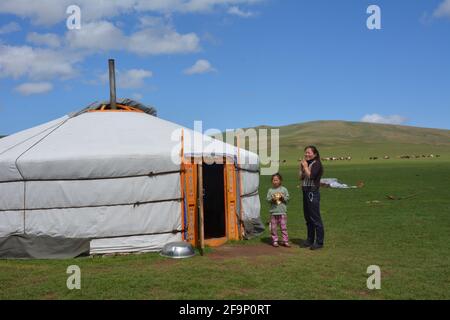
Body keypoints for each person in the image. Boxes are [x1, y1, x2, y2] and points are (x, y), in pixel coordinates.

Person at [300, 146, 325, 250]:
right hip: (305, 191)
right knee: (308, 217)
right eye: (306, 152)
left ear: (315, 154)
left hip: (312, 192)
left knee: (315, 218)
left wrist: (305, 167)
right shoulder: (307, 163)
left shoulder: (317, 164)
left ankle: (319, 242)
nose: (307, 154)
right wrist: (301, 168)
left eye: (309, 153)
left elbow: (311, 176)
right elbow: (300, 177)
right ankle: (310, 240)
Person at [266, 173, 290, 247]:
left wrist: (283, 198)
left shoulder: (284, 189)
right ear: (272, 181)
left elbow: (288, 198)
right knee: (274, 228)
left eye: (277, 180)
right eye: (273, 180)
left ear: (280, 181)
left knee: (283, 227)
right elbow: (267, 199)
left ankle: (285, 241)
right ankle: (275, 241)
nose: (275, 181)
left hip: (282, 212)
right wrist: (272, 199)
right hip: (273, 212)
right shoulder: (270, 190)